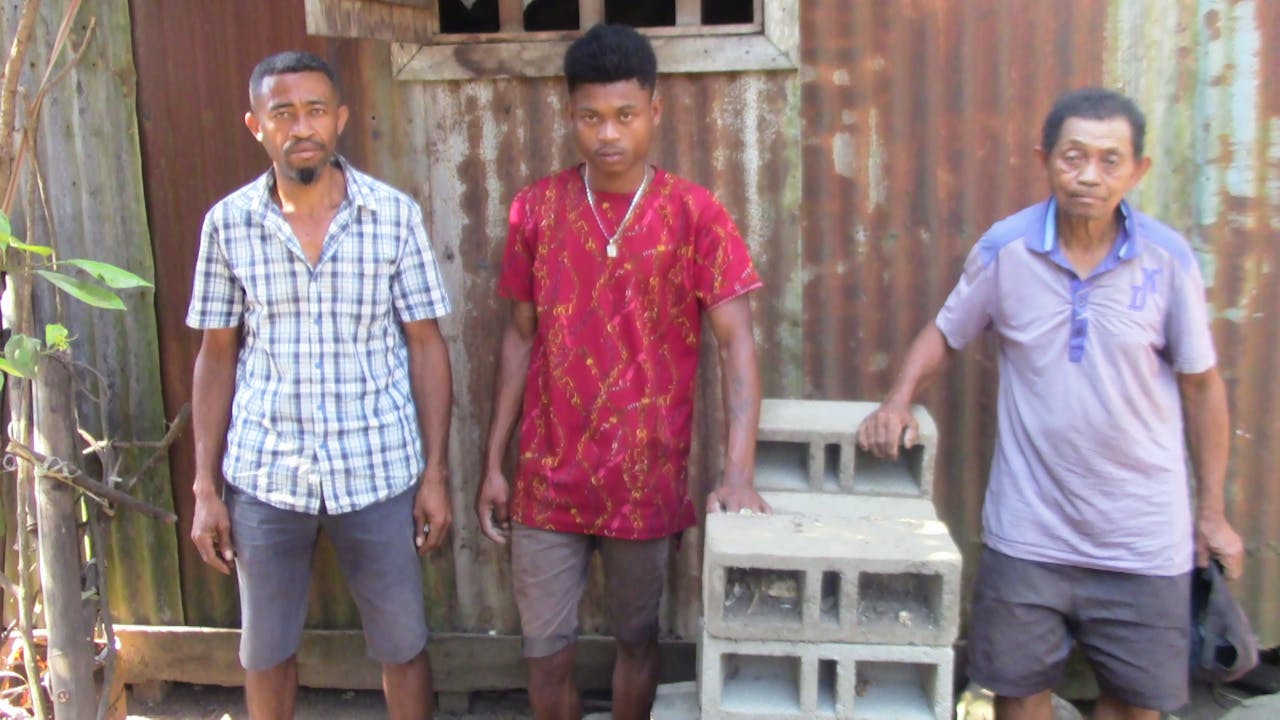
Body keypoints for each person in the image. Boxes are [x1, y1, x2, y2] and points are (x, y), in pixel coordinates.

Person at [857, 87, 1245, 720]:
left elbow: (1203, 388)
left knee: (1134, 706)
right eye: (1073, 157)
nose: (1089, 175)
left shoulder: (1167, 261)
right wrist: (897, 400)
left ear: (1138, 170)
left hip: (1143, 540)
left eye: (1109, 160)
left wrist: (1214, 514)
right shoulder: (1006, 249)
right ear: (1045, 159)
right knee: (1017, 698)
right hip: (1029, 533)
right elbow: (945, 333)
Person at [475, 24, 769, 720]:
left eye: (625, 116)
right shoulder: (536, 210)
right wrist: (495, 461)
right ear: (570, 114)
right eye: (591, 117)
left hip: (647, 475)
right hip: (547, 478)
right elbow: (519, 339)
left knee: (638, 642)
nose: (608, 134)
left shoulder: (696, 215)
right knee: (544, 656)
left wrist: (738, 472)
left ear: (655, 112)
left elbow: (738, 347)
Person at [186, 51, 453, 720]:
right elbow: (216, 355)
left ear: (339, 119)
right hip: (267, 471)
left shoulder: (392, 217)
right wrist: (203, 487)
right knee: (266, 650)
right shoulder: (228, 225)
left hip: (377, 468)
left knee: (402, 644)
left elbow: (426, 345)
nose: (299, 127)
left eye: (313, 111)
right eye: (282, 113)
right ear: (256, 125)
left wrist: (435, 473)